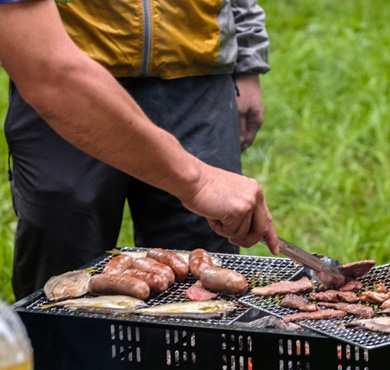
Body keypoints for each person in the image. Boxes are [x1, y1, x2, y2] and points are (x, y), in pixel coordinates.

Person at [0, 0, 279, 301]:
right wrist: (199, 181)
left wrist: (248, 61)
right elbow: (45, 67)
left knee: (202, 270)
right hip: (71, 76)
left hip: (197, 66)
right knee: (63, 264)